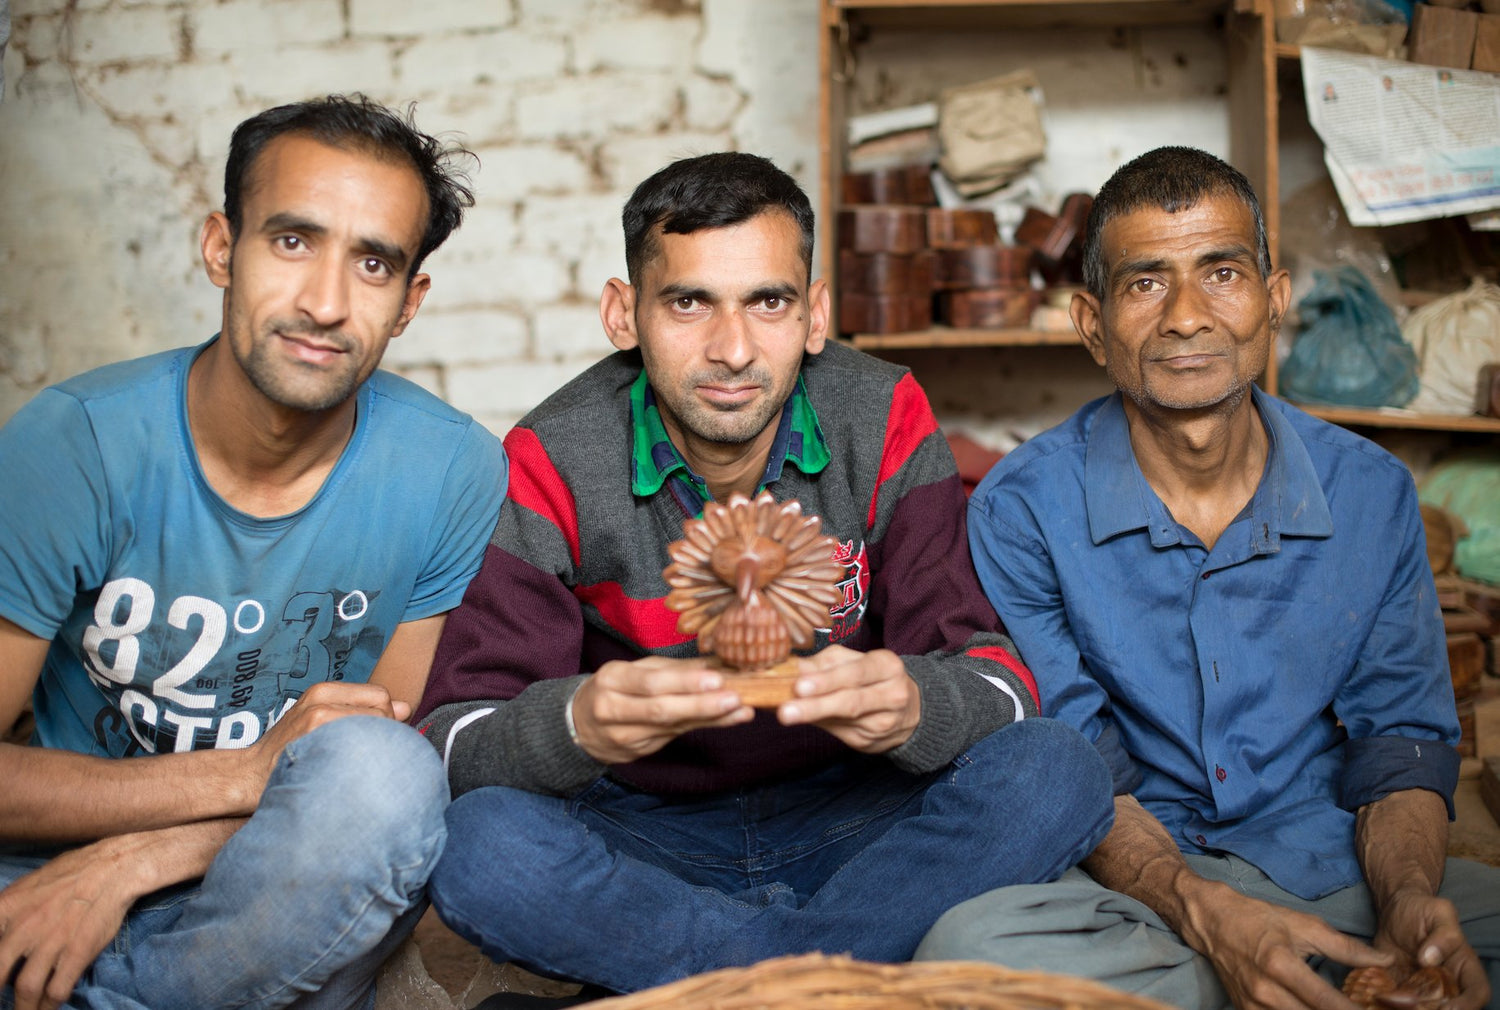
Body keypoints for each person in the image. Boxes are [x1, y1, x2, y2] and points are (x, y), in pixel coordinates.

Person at [413, 151, 1114, 997]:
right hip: (644, 829)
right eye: (688, 302)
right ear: (623, 313)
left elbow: (999, 682)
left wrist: (915, 706)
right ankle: (832, 976)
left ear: (814, 315)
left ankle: (713, 982)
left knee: (1058, 769)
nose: (733, 348)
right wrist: (580, 725)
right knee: (481, 845)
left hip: (857, 814)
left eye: (768, 302)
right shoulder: (552, 454)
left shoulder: (883, 411)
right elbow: (455, 736)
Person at [920, 146, 1500, 1010]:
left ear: (1274, 300)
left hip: (1332, 870)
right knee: (961, 956)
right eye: (1146, 282)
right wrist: (1204, 912)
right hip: (1132, 889)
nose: (1187, 317)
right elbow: (1079, 766)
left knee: (1473, 929)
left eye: (1221, 272)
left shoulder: (1369, 491)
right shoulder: (1021, 508)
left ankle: (1296, 976)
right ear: (1092, 323)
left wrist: (1410, 900)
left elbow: (1401, 745)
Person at [0, 94, 506, 1010]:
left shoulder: (452, 469)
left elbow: (372, 776)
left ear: (409, 303)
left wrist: (131, 862)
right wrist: (248, 768)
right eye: (291, 241)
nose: (325, 302)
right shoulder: (72, 445)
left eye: (374, 262)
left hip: (282, 890)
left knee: (391, 777)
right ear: (220, 249)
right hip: (41, 884)